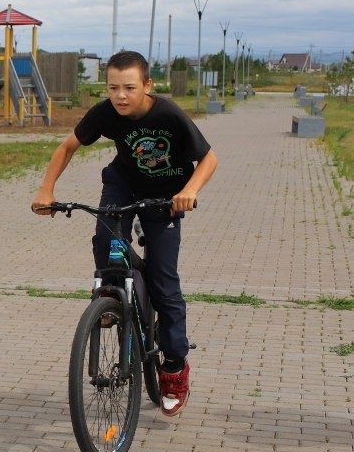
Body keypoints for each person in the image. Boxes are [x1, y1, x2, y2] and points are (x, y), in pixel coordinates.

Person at [31, 50, 218, 417]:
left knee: (164, 282)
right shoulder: (105, 113)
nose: (120, 95)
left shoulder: (167, 114)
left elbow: (208, 159)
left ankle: (174, 367)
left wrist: (190, 191)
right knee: (106, 239)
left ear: (147, 86)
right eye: (113, 87)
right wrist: (46, 190)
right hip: (123, 185)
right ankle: (111, 293)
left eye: (129, 87)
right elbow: (68, 146)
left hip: (166, 197)